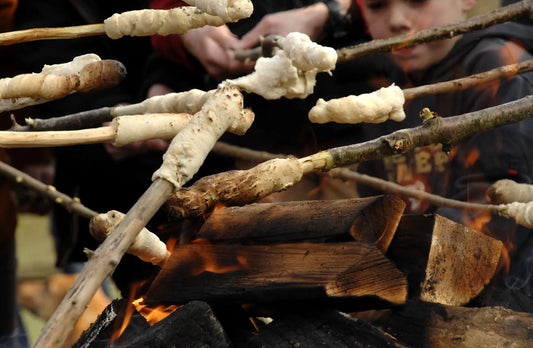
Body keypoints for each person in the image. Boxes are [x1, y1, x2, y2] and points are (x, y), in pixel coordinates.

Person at [348, 0, 533, 306]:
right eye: (377, 6)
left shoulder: (501, 68)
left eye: (418, 0)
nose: (397, 20)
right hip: (414, 289)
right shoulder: (380, 92)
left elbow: (494, 205)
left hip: (506, 298)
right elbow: (374, 207)